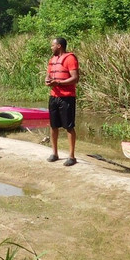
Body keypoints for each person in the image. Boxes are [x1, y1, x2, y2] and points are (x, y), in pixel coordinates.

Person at [45, 37, 79, 166]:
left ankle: (71, 156)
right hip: (54, 96)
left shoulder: (70, 58)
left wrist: (58, 82)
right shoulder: (52, 59)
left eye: (52, 45)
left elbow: (75, 78)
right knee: (53, 126)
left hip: (67, 97)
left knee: (69, 127)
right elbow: (48, 75)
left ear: (59, 46)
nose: (51, 47)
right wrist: (47, 80)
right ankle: (54, 153)